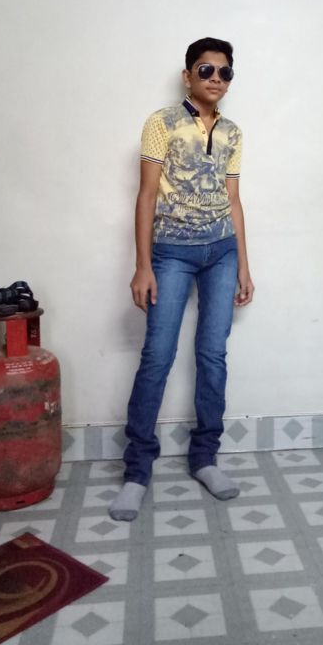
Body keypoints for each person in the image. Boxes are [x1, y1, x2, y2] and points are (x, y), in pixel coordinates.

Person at [109, 37, 254, 521]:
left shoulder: (232, 132)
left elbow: (234, 201)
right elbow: (146, 195)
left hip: (222, 253)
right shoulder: (162, 123)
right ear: (188, 76)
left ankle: (205, 458)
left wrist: (244, 265)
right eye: (206, 70)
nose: (216, 79)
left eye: (225, 72)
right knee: (158, 355)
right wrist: (143, 265)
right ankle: (137, 472)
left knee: (213, 356)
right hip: (171, 253)